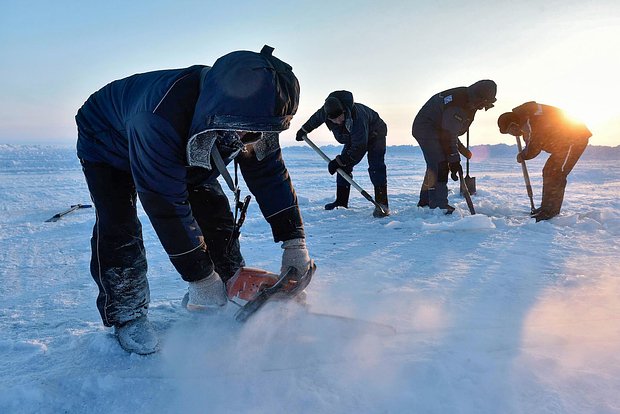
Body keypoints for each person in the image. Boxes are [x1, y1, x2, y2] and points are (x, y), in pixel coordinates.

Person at [75, 46, 313, 355]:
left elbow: (268, 173)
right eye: (244, 131)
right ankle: (127, 314)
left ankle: (226, 285)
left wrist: (294, 240)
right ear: (221, 109)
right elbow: (165, 203)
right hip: (108, 142)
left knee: (212, 207)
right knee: (119, 225)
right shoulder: (158, 117)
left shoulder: (254, 112)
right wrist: (199, 276)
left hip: (184, 137)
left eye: (258, 132)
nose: (249, 139)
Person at [295, 90, 390, 217]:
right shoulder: (325, 112)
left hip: (375, 133)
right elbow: (315, 119)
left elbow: (359, 147)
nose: (339, 121)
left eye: (341, 116)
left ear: (344, 110)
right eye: (335, 119)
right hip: (355, 138)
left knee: (376, 166)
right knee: (343, 167)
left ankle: (382, 203)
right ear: (328, 117)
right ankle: (341, 202)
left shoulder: (357, 118)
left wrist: (339, 161)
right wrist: (304, 130)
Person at [412, 80, 497, 213]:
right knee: (440, 164)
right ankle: (438, 205)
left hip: (438, 129)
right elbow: (448, 134)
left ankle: (426, 202)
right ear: (479, 97)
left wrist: (461, 150)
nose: (482, 107)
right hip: (426, 128)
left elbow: (451, 131)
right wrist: (454, 159)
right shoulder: (458, 104)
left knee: (436, 164)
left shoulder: (468, 100)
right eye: (483, 103)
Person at [497, 101, 591, 221]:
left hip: (573, 139)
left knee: (556, 173)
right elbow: (531, 142)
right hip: (562, 143)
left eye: (509, 132)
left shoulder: (530, 120)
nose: (513, 135)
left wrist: (524, 155)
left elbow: (535, 145)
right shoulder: (527, 119)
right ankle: (546, 208)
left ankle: (550, 211)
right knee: (549, 171)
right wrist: (525, 153)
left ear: (513, 125)